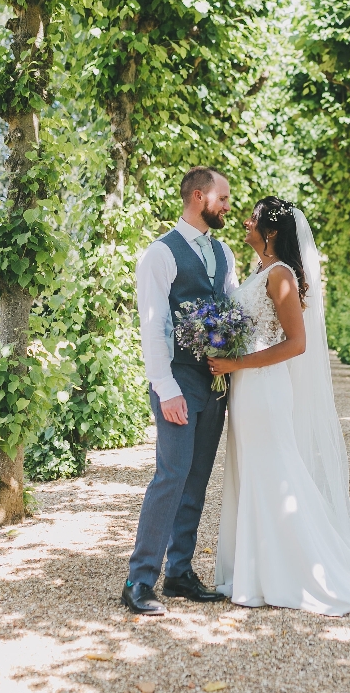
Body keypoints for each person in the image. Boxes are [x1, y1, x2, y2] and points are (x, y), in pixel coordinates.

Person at [207, 197, 350, 615]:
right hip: (246, 388)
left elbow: (297, 344)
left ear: (271, 231)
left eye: (255, 218)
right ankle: (254, 570)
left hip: (263, 387)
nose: (246, 221)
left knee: (273, 472)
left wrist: (234, 362)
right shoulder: (259, 271)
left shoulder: (279, 276)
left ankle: (289, 572)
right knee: (252, 471)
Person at [124, 167, 238, 615]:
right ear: (198, 196)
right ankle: (139, 580)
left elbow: (231, 308)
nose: (229, 206)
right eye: (223, 198)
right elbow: (154, 327)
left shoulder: (224, 251)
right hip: (178, 380)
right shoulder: (160, 254)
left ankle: (180, 573)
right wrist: (165, 388)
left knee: (197, 478)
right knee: (171, 475)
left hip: (215, 381)